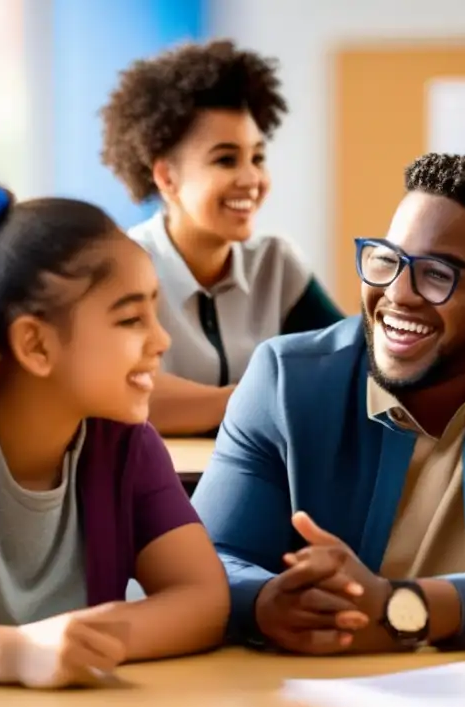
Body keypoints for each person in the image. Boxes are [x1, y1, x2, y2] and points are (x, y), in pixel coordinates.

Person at [195, 153, 465, 655]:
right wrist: (267, 601)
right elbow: (211, 557)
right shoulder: (285, 379)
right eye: (386, 259)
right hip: (313, 694)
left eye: (437, 274)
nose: (398, 294)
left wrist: (396, 608)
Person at [0, 175, 230, 688]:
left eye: (155, 310)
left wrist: (88, 641)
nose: (161, 339)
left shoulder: (127, 443)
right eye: (131, 320)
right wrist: (12, 654)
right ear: (35, 345)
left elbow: (203, 599)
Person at [100, 40, 343, 436]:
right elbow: (123, 392)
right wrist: (257, 398)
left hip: (262, 486)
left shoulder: (276, 264)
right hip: (154, 489)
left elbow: (348, 367)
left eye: (258, 158)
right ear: (166, 177)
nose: (251, 180)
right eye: (226, 159)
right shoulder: (123, 266)